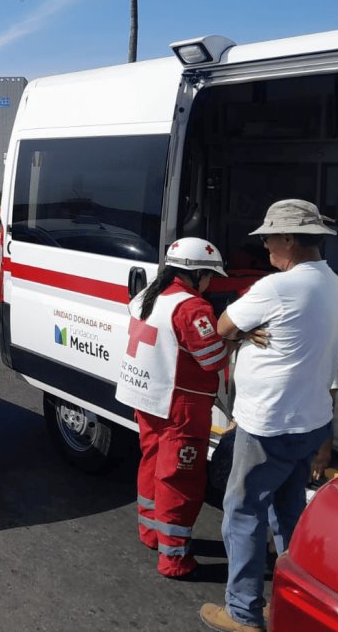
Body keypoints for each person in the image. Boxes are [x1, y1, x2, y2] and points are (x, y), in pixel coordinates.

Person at [200, 199, 338, 632]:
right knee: (287, 514)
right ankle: (296, 604)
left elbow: (224, 326)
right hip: (310, 419)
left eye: (267, 238)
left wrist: (244, 332)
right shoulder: (335, 286)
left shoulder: (277, 287)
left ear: (288, 239)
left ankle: (243, 612)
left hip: (269, 422)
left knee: (243, 512)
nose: (265, 247)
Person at [115, 237, 230, 579]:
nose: (211, 283)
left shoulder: (148, 296)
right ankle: (174, 559)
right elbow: (213, 360)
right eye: (209, 276)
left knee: (152, 465)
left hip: (148, 399)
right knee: (180, 479)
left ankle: (151, 533)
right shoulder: (192, 308)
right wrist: (235, 337)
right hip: (181, 407)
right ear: (196, 275)